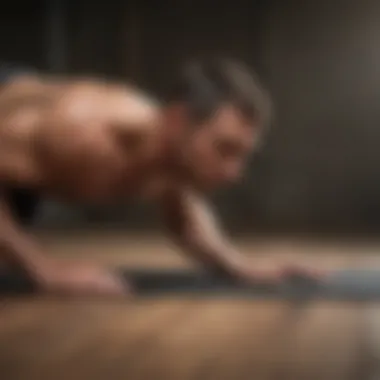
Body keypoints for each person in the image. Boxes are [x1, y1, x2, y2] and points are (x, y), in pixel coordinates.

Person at [0, 58, 316, 296]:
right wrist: (44, 268)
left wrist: (241, 266)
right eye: (225, 149)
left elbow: (183, 214)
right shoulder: (81, 132)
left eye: (242, 155)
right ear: (177, 120)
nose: (234, 173)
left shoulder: (167, 153)